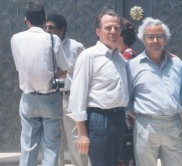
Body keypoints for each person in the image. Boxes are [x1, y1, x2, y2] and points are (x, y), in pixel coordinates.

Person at [10, 1, 69, 166]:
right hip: (50, 98)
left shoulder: (16, 39)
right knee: (51, 145)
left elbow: (18, 67)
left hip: (28, 97)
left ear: (26, 21)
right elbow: (65, 68)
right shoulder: (53, 39)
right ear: (44, 20)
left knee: (28, 145)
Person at [67, 9, 129, 166]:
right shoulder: (89, 56)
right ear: (98, 31)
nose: (113, 31)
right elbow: (78, 95)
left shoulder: (121, 60)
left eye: (116, 27)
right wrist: (82, 134)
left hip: (119, 119)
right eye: (108, 28)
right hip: (99, 120)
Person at [126, 17, 182, 166]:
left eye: (159, 36)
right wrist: (138, 115)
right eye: (150, 37)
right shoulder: (133, 65)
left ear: (165, 39)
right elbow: (126, 97)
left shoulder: (177, 64)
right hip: (146, 126)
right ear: (143, 39)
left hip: (174, 125)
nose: (155, 41)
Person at [45, 14, 89, 166]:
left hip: (70, 98)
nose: (47, 30)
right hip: (50, 98)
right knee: (53, 141)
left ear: (62, 29)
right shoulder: (44, 45)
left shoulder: (76, 47)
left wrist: (67, 72)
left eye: (51, 27)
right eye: (46, 27)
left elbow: (84, 74)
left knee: (76, 139)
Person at [117, 18, 136, 166]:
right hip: (123, 111)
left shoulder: (127, 57)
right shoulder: (121, 54)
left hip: (126, 113)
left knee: (125, 153)